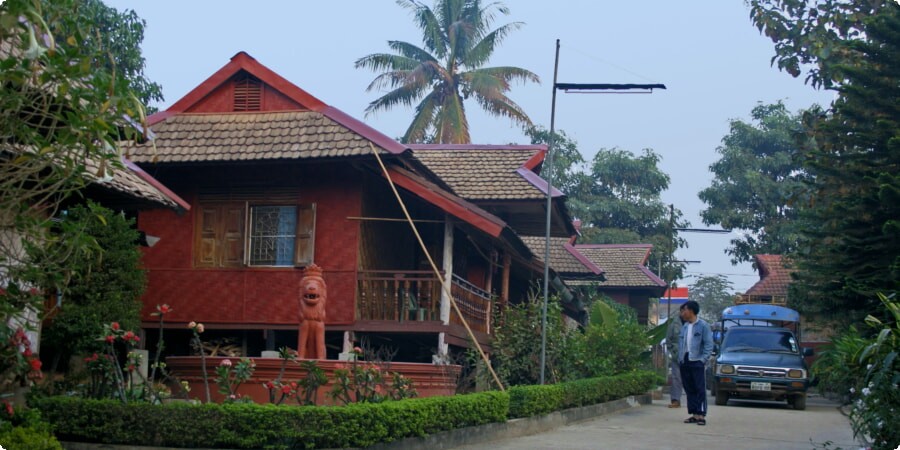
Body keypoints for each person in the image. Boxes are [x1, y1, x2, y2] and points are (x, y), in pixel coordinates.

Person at [678, 300, 714, 426]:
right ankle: (693, 414)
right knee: (689, 388)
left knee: (699, 388)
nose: (683, 313)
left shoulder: (703, 325)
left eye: (685, 310)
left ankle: (701, 414)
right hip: (685, 359)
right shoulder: (685, 326)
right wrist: (680, 358)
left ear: (691, 311)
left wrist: (703, 360)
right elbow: (681, 344)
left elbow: (709, 344)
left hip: (697, 360)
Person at [665, 310, 684, 408]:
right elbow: (668, 340)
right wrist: (673, 351)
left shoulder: (695, 324)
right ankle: (675, 400)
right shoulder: (674, 324)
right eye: (683, 311)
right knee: (676, 378)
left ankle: (694, 403)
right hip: (677, 356)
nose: (684, 313)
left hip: (692, 357)